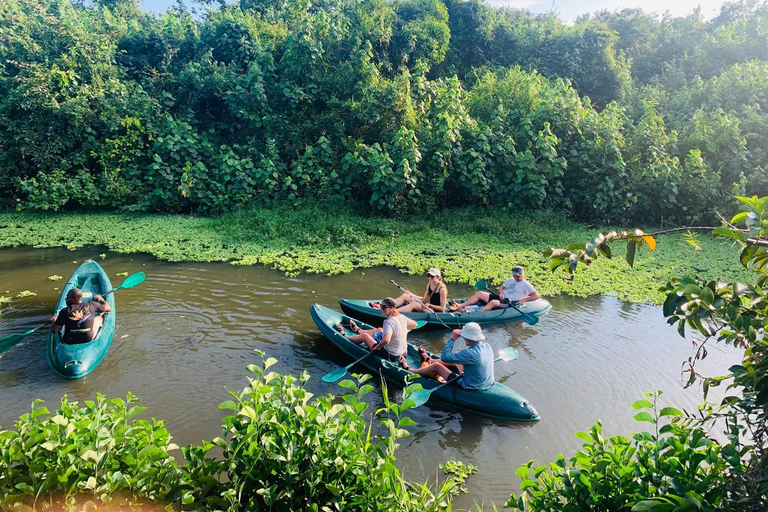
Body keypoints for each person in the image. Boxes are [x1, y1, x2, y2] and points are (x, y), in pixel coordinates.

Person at [404, 322, 494, 390]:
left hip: (469, 385)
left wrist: (452, 339)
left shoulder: (470, 353)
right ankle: (429, 360)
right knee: (457, 354)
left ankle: (411, 370)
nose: (463, 338)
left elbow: (445, 357)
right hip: (486, 383)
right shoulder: (487, 346)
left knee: (437, 366)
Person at [336, 297, 417, 364]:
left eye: (384, 307)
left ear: (392, 308)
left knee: (365, 337)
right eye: (381, 306)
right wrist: (401, 331)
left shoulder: (389, 322)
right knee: (380, 330)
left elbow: (386, 341)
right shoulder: (401, 317)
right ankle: (359, 330)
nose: (381, 308)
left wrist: (377, 348)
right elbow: (414, 324)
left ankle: (346, 336)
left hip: (391, 355)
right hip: (403, 353)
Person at [452, 265, 539, 312]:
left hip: (511, 303)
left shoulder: (526, 284)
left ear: (522, 275)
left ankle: (475, 313)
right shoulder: (510, 280)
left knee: (493, 302)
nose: (516, 278)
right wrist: (501, 293)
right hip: (502, 298)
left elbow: (536, 296)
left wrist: (524, 300)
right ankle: (461, 305)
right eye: (514, 275)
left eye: (518, 276)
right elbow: (502, 287)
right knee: (479, 293)